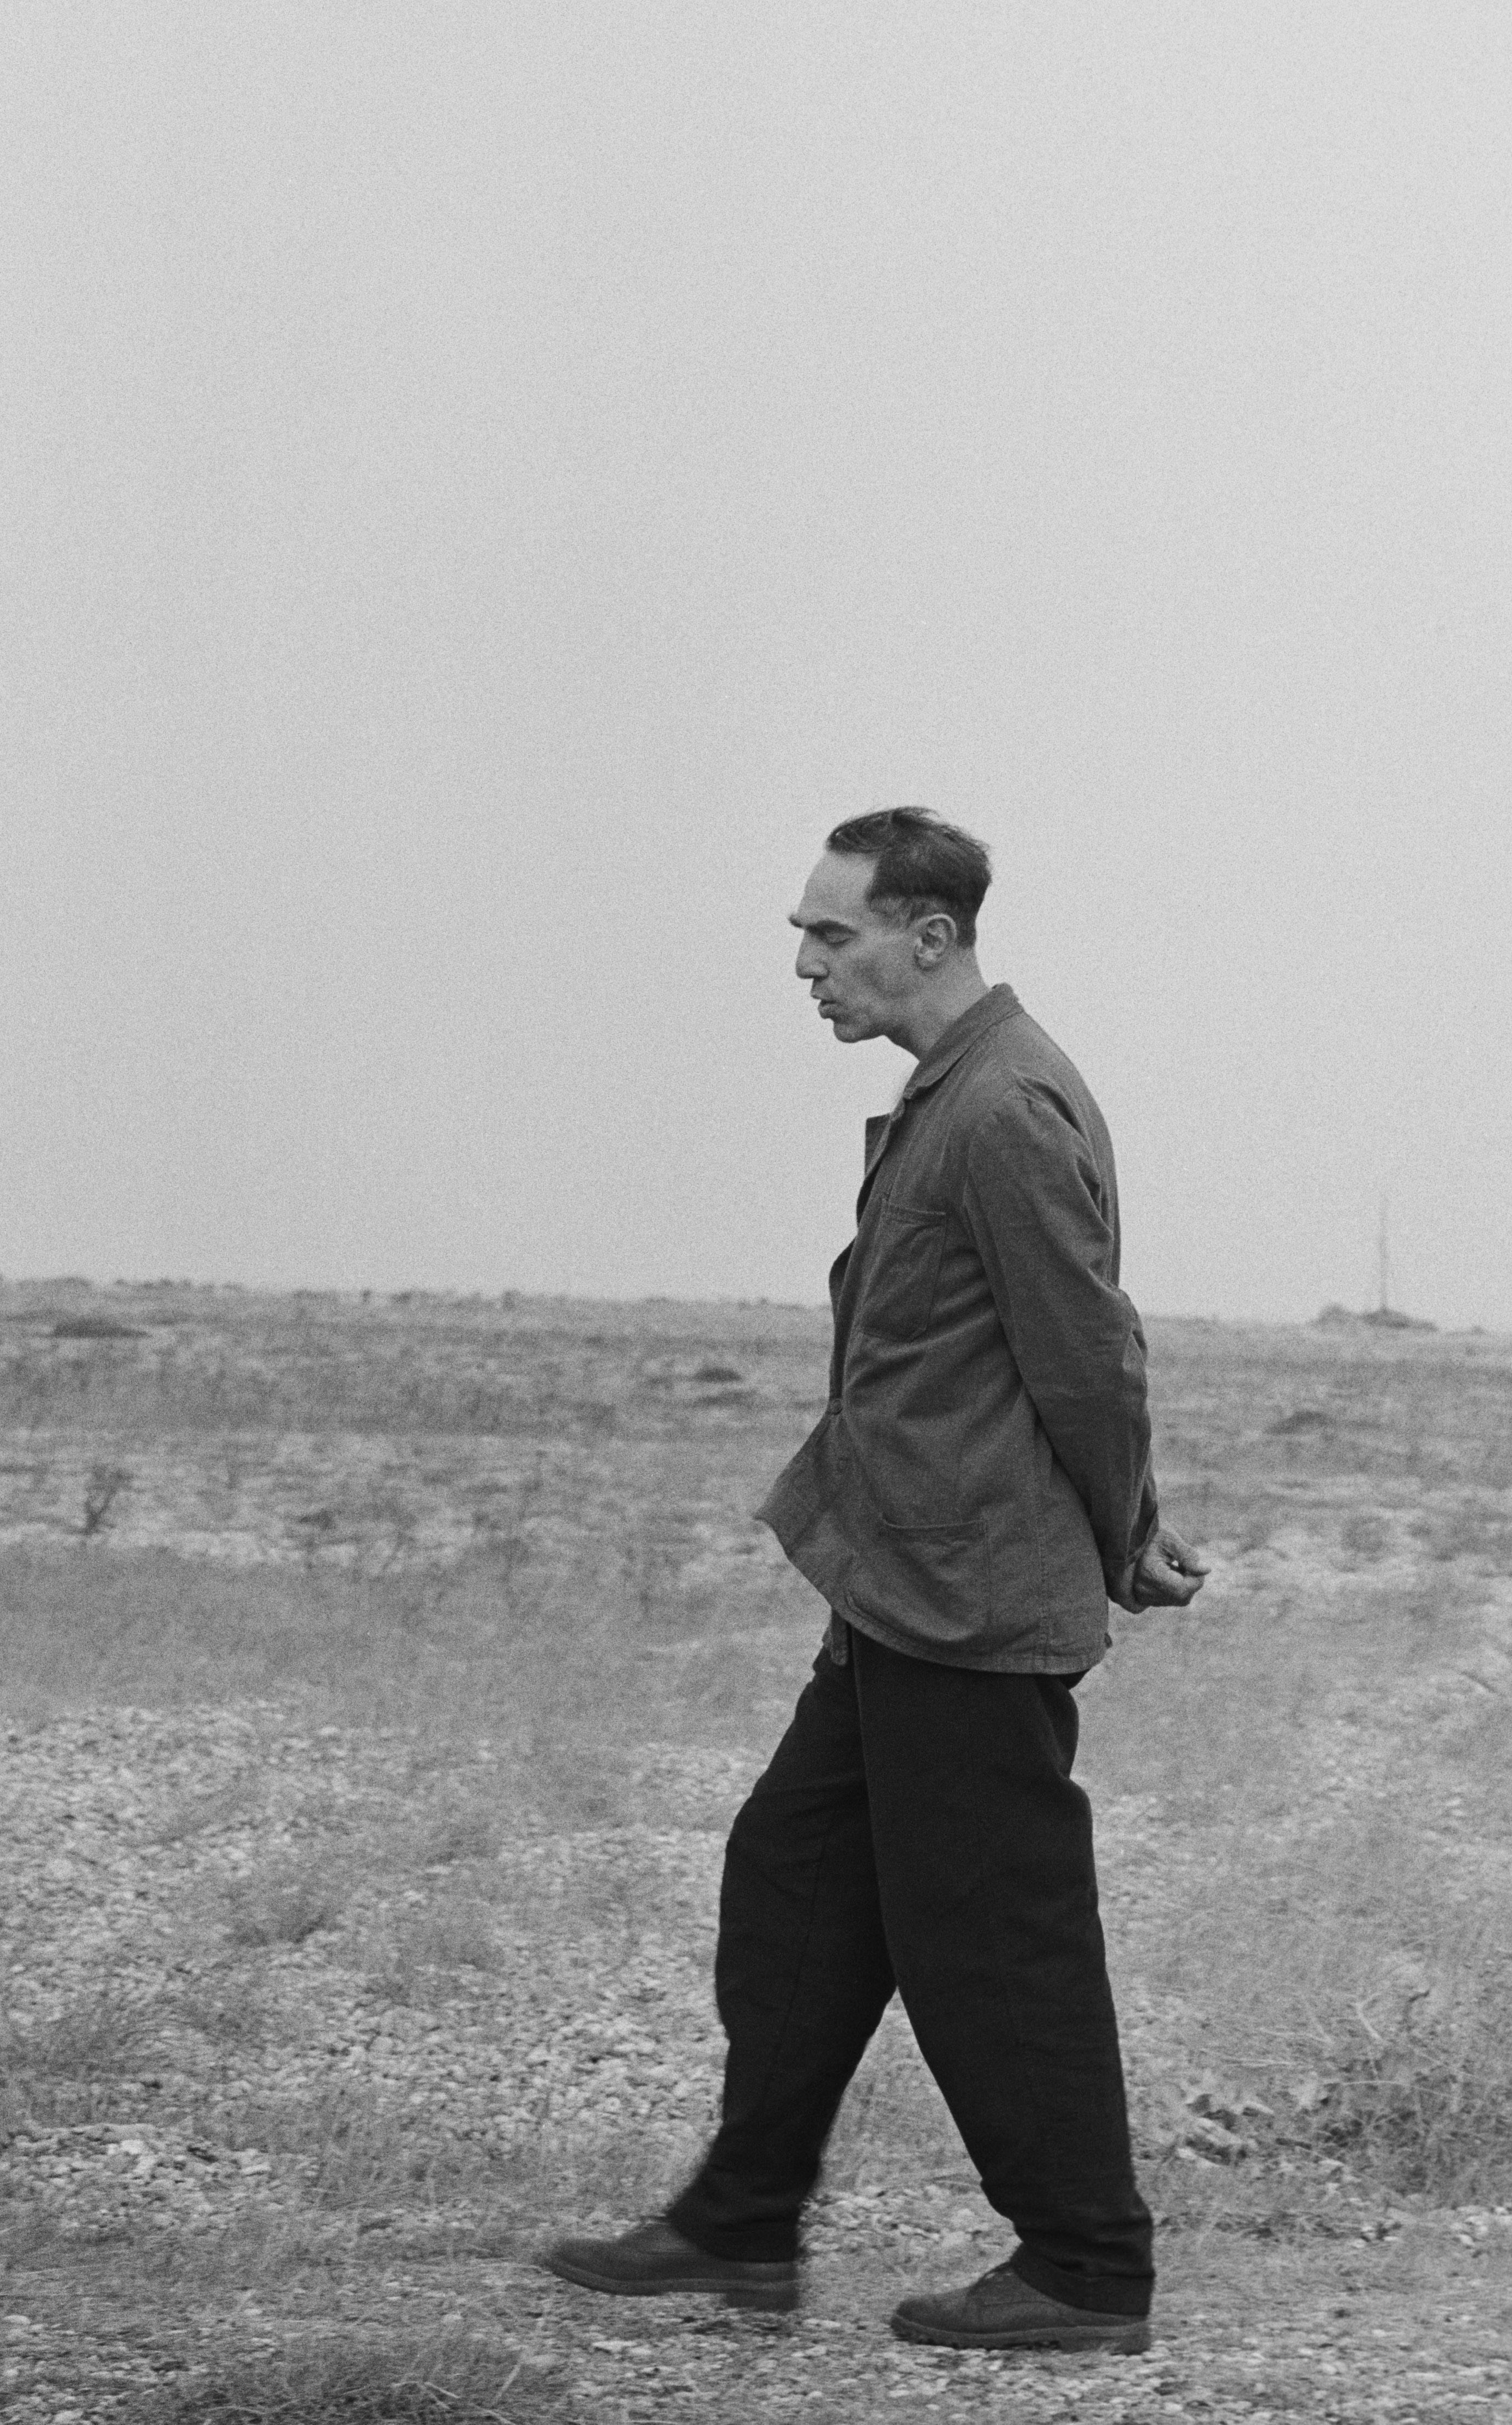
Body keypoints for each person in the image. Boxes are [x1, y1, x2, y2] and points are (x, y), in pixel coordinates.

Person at [538, 806, 1203, 2355]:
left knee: (992, 1936)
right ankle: (742, 2221)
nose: (804, 963)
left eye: (830, 934)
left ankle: (1090, 2268)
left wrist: (1125, 1530)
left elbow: (1089, 1353)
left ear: (928, 935)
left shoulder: (1005, 1110)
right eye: (804, 934)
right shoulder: (951, 1095)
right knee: (798, 1884)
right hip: (899, 1585)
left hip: (971, 1607)